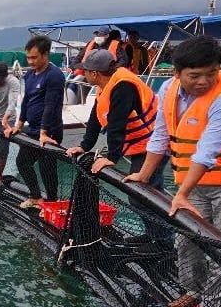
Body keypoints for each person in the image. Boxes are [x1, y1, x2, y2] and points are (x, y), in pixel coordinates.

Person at [124, 35, 221, 307]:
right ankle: (194, 291)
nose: (204, 81)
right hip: (196, 180)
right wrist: (143, 174)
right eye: (194, 76)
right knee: (187, 238)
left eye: (211, 73)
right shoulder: (167, 89)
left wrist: (181, 194)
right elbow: (160, 135)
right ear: (177, 73)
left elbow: (207, 151)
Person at [64, 48, 170, 242]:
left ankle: (163, 242)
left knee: (143, 195)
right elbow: (95, 118)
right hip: (141, 147)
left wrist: (112, 158)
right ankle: (153, 236)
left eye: (84, 70)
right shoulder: (105, 85)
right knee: (141, 196)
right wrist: (84, 146)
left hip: (153, 146)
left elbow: (116, 123)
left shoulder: (123, 86)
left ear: (94, 73)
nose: (82, 73)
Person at [9, 35, 66, 209]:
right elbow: (26, 101)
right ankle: (35, 197)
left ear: (45, 54)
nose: (30, 61)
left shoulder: (54, 75)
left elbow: (50, 105)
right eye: (28, 57)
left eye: (34, 57)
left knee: (47, 167)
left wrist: (44, 132)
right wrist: (19, 124)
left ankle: (52, 203)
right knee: (22, 162)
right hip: (33, 129)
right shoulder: (30, 75)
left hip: (50, 131)